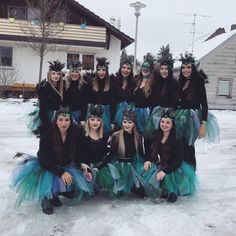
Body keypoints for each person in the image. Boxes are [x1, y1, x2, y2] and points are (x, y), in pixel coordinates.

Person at [11, 106, 93, 215]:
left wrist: (82, 163)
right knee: (50, 178)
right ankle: (46, 198)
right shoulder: (47, 135)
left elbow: (76, 154)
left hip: (65, 164)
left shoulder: (74, 134)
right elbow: (43, 159)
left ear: (70, 121)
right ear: (56, 121)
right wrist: (61, 172)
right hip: (48, 166)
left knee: (73, 192)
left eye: (67, 120)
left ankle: (55, 194)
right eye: (61, 120)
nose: (64, 123)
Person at [176, 53, 220, 170]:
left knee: (189, 148)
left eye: (188, 67)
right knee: (180, 148)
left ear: (193, 68)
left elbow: (204, 104)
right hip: (181, 118)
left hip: (193, 119)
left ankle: (190, 177)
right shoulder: (180, 82)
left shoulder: (198, 81)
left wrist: (203, 125)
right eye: (183, 68)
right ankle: (182, 175)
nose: (185, 70)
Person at [143, 109, 196, 202]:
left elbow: (178, 161)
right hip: (162, 164)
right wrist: (148, 160)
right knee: (148, 183)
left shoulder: (177, 139)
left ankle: (171, 191)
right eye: (162, 122)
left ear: (172, 125)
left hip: (174, 167)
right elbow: (153, 153)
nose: (164, 124)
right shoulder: (157, 135)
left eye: (168, 123)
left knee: (168, 183)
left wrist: (165, 172)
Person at [98, 110, 145, 196]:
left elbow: (141, 154)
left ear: (134, 124)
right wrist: (101, 166)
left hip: (132, 165)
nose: (127, 125)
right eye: (124, 122)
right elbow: (111, 154)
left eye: (130, 122)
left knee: (140, 188)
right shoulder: (116, 136)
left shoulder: (138, 137)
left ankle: (134, 186)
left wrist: (147, 162)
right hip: (119, 165)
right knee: (118, 190)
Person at [27, 60, 65, 135]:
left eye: (58, 74)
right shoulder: (45, 88)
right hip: (47, 117)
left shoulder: (62, 86)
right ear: (49, 75)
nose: (56, 76)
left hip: (59, 117)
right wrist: (47, 124)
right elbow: (42, 109)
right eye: (53, 73)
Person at [77, 105, 109, 189]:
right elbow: (78, 152)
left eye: (98, 120)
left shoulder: (104, 136)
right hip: (85, 166)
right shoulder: (82, 136)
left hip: (98, 167)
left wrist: (101, 165)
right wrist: (83, 164)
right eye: (92, 120)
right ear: (88, 121)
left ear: (101, 122)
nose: (95, 122)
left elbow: (105, 153)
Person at [149, 46, 178, 131]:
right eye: (162, 69)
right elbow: (153, 100)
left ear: (170, 70)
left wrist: (171, 113)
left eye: (166, 69)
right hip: (156, 114)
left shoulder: (174, 83)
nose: (163, 71)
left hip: (168, 116)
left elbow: (175, 102)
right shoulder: (156, 82)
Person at [86, 57, 116, 135]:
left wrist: (112, 121)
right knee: (94, 133)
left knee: (105, 133)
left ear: (106, 71)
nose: (101, 72)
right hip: (94, 113)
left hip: (106, 112)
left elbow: (113, 103)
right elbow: (88, 100)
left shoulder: (111, 84)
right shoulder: (92, 83)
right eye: (99, 70)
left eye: (103, 70)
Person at [133, 59, 155, 136]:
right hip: (135, 111)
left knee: (146, 136)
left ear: (151, 70)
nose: (145, 70)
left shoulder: (153, 83)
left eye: (147, 69)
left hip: (147, 113)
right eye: (143, 68)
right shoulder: (137, 81)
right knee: (136, 135)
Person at [114, 59, 135, 129]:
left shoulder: (134, 83)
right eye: (123, 67)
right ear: (120, 69)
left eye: (128, 68)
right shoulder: (114, 81)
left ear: (131, 70)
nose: (126, 70)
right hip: (116, 112)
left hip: (129, 113)